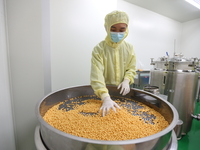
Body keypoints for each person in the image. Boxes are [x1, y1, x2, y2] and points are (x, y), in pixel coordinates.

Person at [90, 10, 136, 116]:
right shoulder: (99, 49)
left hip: (123, 92)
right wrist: (105, 98)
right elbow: (97, 76)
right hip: (103, 93)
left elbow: (131, 68)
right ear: (107, 28)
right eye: (113, 29)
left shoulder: (129, 48)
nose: (118, 33)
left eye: (122, 29)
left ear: (126, 29)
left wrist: (126, 80)